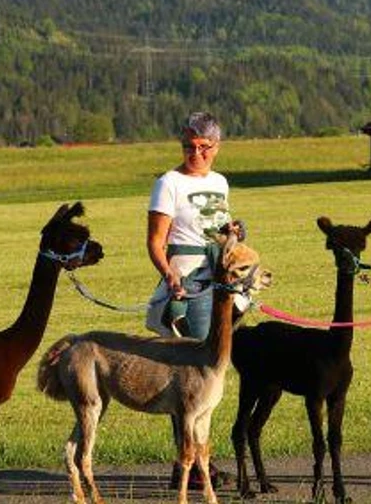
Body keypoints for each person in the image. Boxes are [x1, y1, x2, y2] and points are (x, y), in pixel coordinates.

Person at [144, 111, 243, 489]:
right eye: (189, 146)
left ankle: (196, 463)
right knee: (197, 374)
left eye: (203, 147)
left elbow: (217, 230)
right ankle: (194, 465)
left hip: (219, 278)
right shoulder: (167, 183)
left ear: (217, 147)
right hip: (189, 280)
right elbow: (156, 241)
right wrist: (169, 274)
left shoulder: (220, 182)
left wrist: (232, 232)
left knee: (213, 372)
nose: (195, 154)